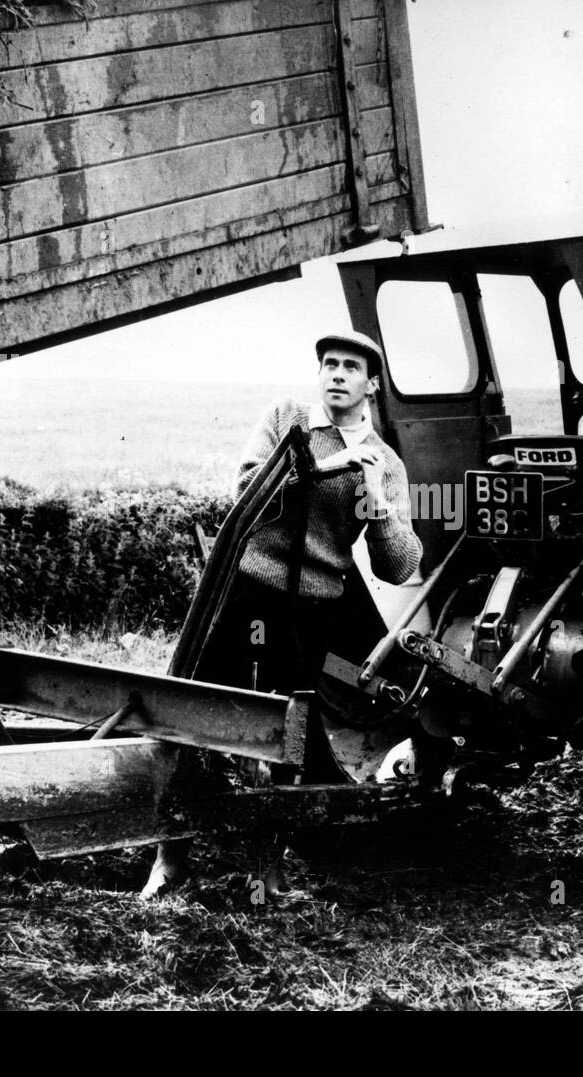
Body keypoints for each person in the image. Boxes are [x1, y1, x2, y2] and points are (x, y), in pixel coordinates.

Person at [141, 330, 423, 898]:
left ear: (372, 384)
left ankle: (266, 869)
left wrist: (378, 499)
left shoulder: (384, 462)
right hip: (246, 594)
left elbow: (399, 565)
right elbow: (248, 490)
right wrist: (326, 466)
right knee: (193, 716)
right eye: (329, 364)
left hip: (311, 612)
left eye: (351, 367)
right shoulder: (287, 419)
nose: (336, 375)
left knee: (286, 736)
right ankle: (171, 860)